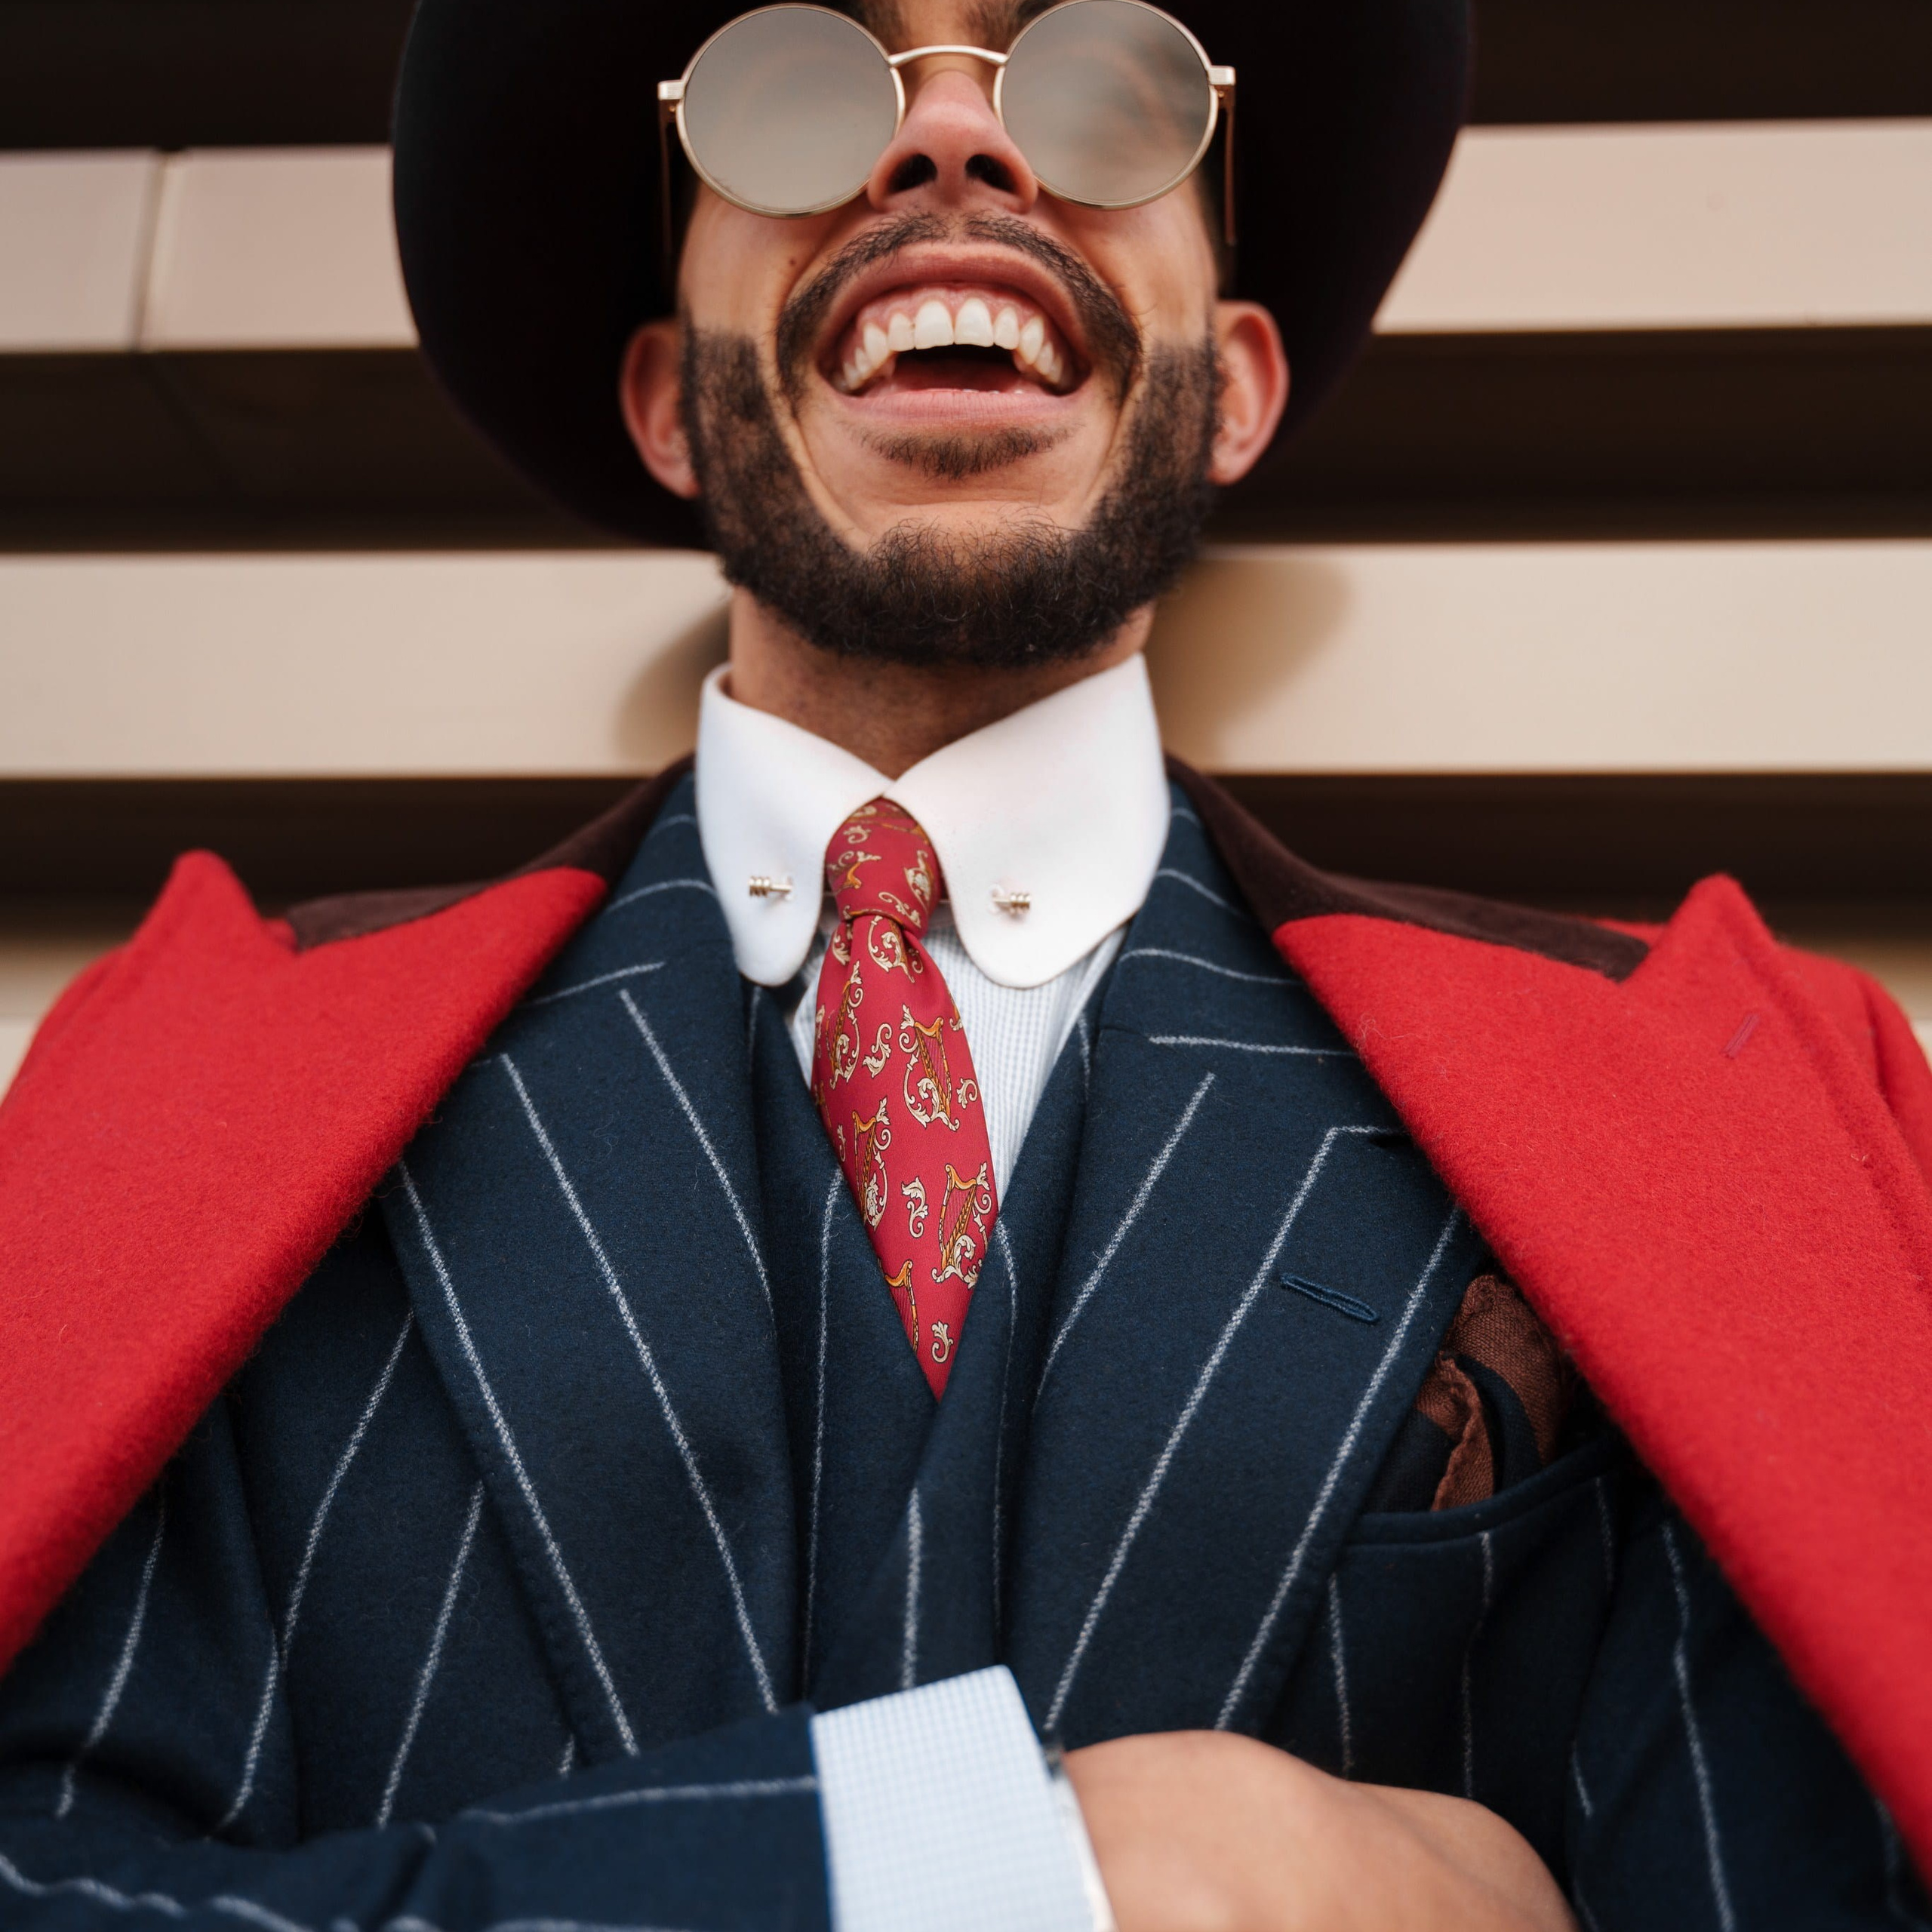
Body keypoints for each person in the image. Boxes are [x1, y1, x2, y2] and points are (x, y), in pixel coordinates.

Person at [3, 0, 1932, 1926]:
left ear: (1235, 387)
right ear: (671, 398)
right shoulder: (190, 1102)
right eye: (794, 80)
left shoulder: (1727, 1097)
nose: (950, 142)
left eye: (1102, 83)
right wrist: (1027, 1868)